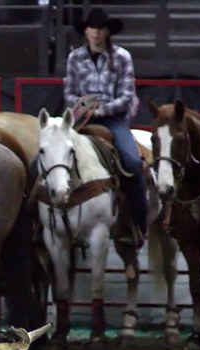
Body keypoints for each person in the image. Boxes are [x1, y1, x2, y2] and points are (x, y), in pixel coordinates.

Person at [63, 8, 147, 240]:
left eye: (100, 28)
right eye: (92, 28)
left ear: (107, 32)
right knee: (51, 155)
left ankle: (139, 225)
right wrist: (83, 106)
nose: (96, 32)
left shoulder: (122, 57)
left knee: (132, 162)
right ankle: (44, 223)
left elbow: (127, 95)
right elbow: (69, 93)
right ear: (86, 31)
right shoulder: (75, 57)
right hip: (81, 118)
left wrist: (101, 109)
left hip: (114, 119)